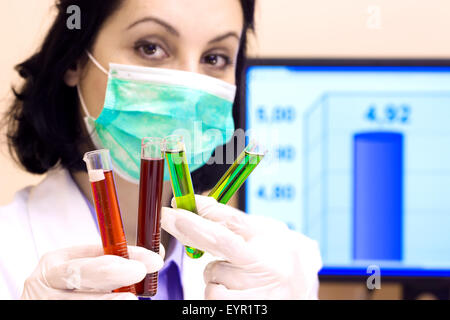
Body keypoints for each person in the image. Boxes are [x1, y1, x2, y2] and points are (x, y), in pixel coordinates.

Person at [0, 0, 322, 300]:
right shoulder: (8, 258)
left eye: (215, 58)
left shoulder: (279, 267)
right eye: (151, 47)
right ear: (75, 58)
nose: (189, 90)